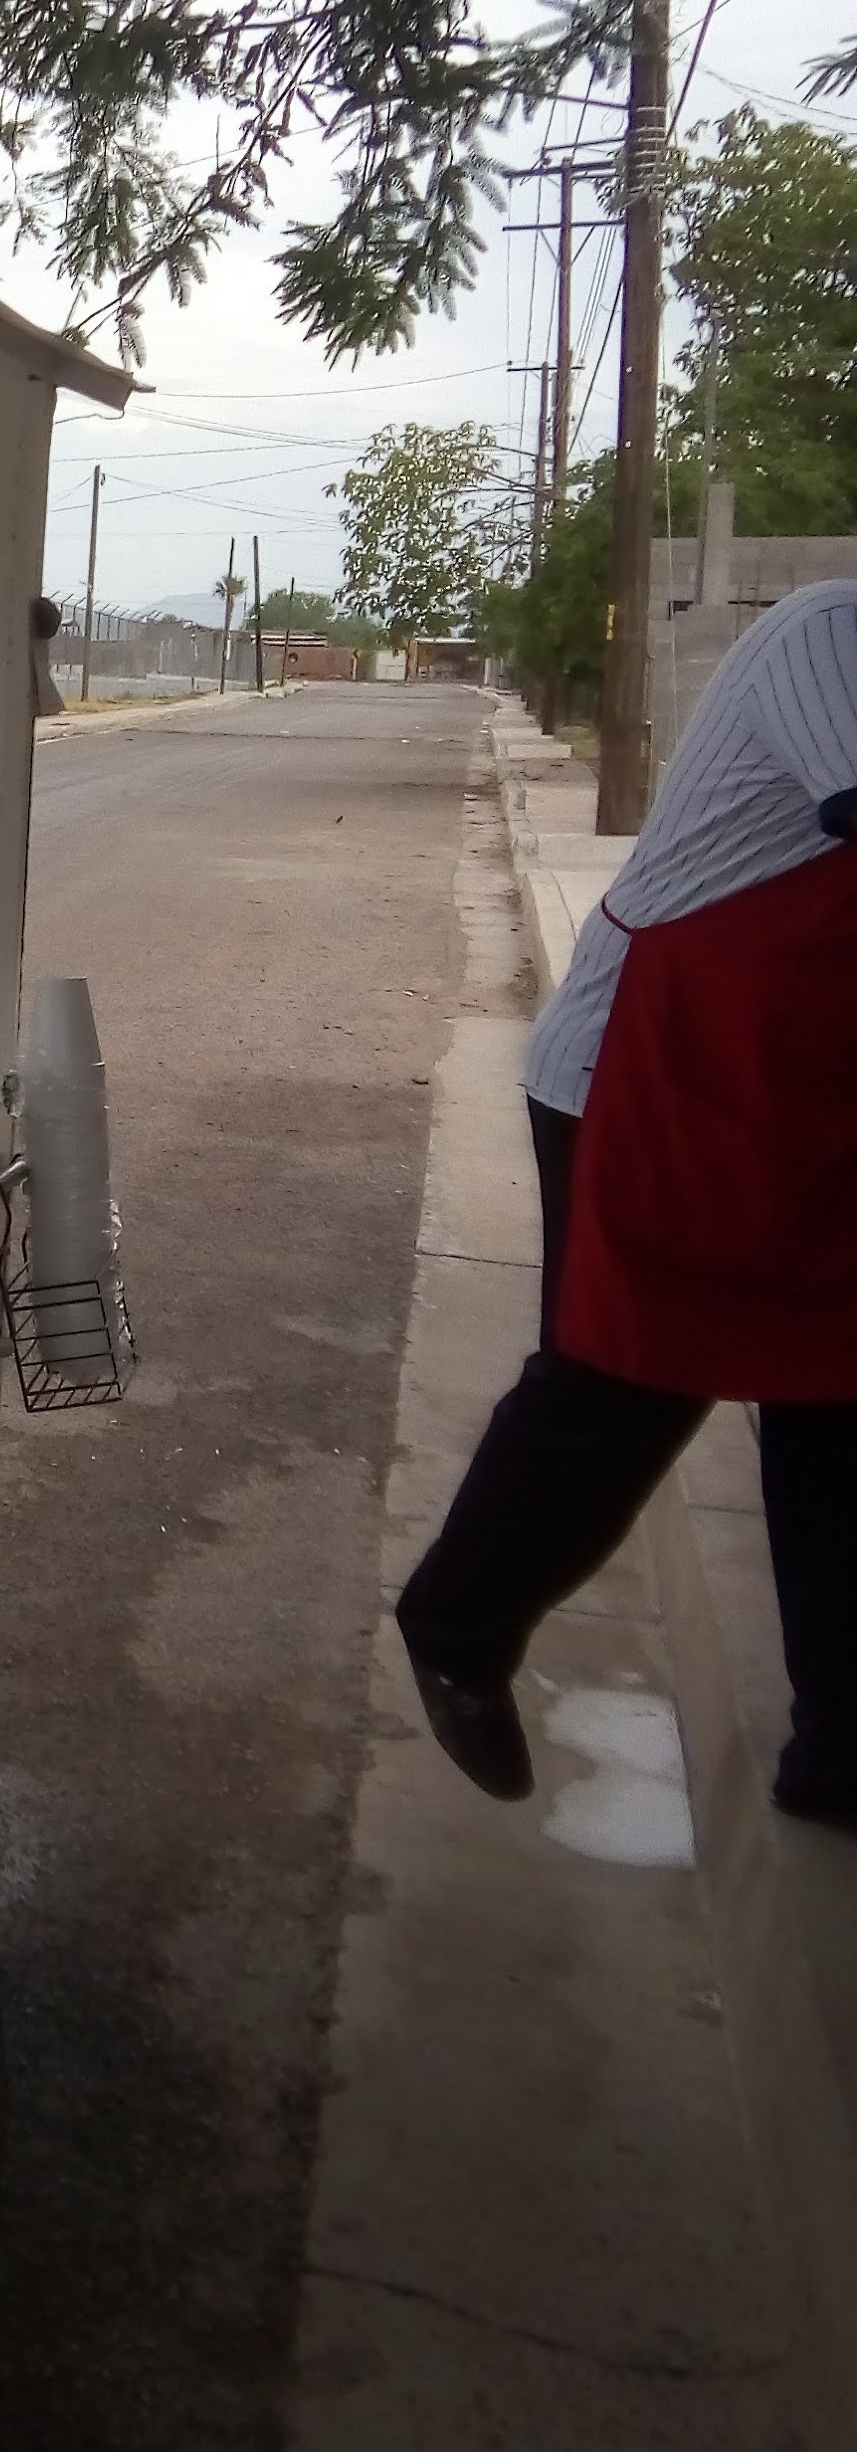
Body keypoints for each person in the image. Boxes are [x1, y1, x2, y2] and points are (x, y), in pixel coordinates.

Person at [398, 581, 857, 1815]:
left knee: (836, 1394)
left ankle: (843, 1750)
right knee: (626, 1381)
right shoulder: (830, 636)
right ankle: (456, 1621)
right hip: (644, 1068)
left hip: (801, 1086)